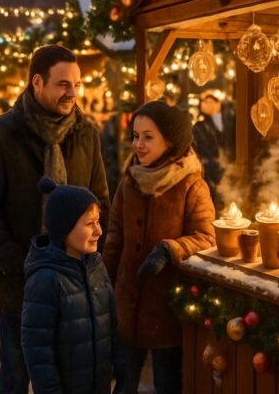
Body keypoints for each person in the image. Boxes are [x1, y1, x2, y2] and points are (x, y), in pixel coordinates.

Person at [0, 44, 110, 394]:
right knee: (16, 373)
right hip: (19, 286)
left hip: (74, 285)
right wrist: (21, 265)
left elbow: (100, 199)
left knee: (69, 378)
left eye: (76, 84)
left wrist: (87, 259)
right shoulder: (1, 133)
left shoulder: (86, 132)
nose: (72, 92)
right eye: (63, 84)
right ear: (37, 82)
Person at [102, 100, 215, 394]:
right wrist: (102, 284)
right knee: (123, 382)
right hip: (127, 307)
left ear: (170, 140)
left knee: (167, 383)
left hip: (167, 308)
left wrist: (170, 249)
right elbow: (114, 237)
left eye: (148, 137)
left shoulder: (191, 184)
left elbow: (207, 236)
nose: (138, 144)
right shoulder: (130, 180)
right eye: (135, 136)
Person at [22, 178, 124, 394]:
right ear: (63, 228)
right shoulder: (44, 280)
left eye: (98, 221)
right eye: (89, 224)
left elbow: (113, 328)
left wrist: (124, 378)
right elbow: (39, 355)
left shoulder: (97, 268)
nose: (98, 231)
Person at [192, 90, 236, 206]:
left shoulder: (231, 119)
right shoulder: (199, 126)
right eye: (205, 102)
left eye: (212, 101)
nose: (208, 104)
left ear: (219, 103)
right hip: (211, 171)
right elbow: (200, 149)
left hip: (232, 167)